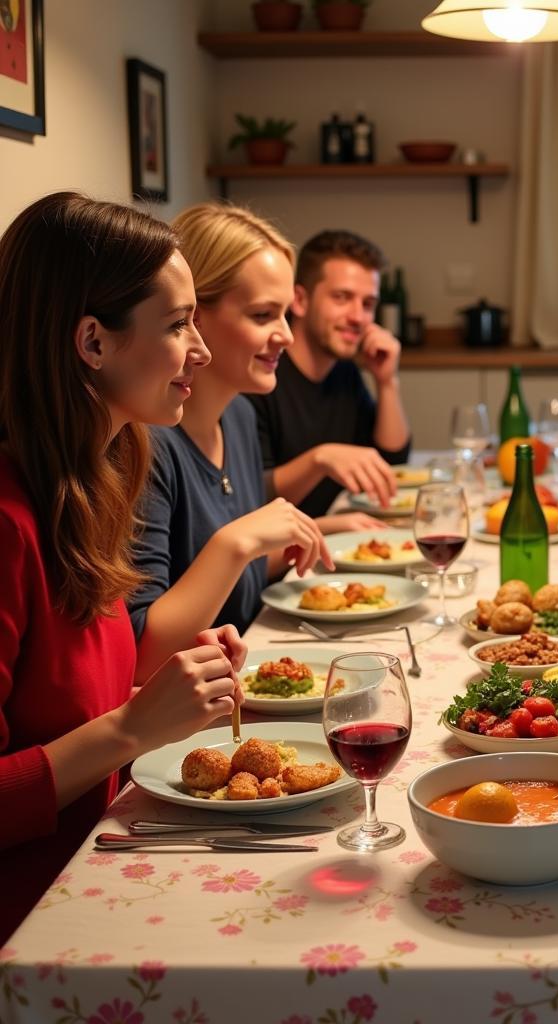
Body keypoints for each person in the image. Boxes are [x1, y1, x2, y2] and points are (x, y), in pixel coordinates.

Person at [0, 193, 244, 945]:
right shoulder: (9, 524)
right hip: (37, 928)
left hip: (105, 870)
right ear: (92, 342)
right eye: (177, 325)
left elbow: (69, 709)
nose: (199, 351)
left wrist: (171, 694)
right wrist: (134, 724)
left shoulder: (95, 480)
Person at [129, 204, 333, 682]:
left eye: (286, 312)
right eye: (263, 314)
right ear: (192, 315)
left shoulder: (237, 414)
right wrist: (239, 542)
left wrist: (318, 533)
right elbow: (141, 652)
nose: (285, 334)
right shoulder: (145, 446)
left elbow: (232, 588)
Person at [247, 229, 412, 520]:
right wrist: (319, 460)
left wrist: (387, 382)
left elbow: (391, 463)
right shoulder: (260, 372)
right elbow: (252, 495)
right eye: (342, 297)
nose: (358, 316)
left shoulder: (343, 371)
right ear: (299, 300)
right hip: (280, 557)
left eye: (368, 304)